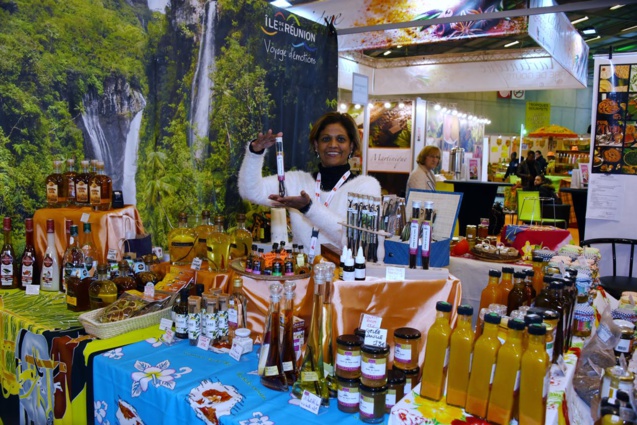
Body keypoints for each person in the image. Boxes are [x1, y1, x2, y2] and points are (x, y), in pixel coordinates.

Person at [238, 112, 381, 252]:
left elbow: (360, 242)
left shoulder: (365, 186)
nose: (333, 144)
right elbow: (251, 192)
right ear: (316, 145)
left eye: (341, 139)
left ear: (352, 146)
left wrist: (309, 209)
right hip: (302, 273)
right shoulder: (298, 181)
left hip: (343, 274)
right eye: (325, 139)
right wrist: (255, 153)